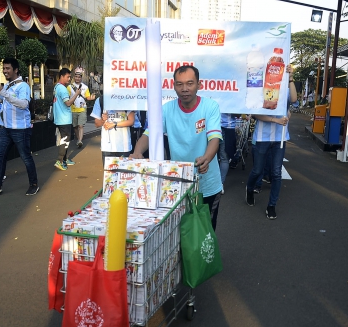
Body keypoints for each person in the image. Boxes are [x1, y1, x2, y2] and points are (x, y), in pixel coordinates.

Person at [130, 65, 223, 230]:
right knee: (179, 233)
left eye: (190, 83)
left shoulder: (210, 107)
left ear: (199, 85)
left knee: (206, 232)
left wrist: (206, 158)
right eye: (179, 84)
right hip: (178, 183)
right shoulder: (166, 109)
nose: (185, 89)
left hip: (207, 182)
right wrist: (137, 152)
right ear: (173, 86)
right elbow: (149, 134)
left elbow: (214, 138)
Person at [0, 57, 39, 196]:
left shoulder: (22, 86)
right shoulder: (7, 86)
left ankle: (34, 184)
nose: (5, 71)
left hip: (20, 129)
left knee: (25, 157)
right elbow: (2, 101)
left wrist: (3, 92)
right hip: (6, 128)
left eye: (8, 68)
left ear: (15, 70)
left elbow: (24, 104)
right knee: (0, 155)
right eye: (4, 68)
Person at [245, 64, 297, 219]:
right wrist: (275, 119)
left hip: (279, 139)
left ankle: (271, 205)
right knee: (257, 170)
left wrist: (291, 78)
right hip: (262, 138)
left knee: (276, 173)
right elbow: (255, 114)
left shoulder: (285, 90)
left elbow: (294, 99)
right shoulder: (261, 90)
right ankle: (249, 189)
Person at [90, 97, 135, 164]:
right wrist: (103, 120)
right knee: (109, 173)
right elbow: (97, 124)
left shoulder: (127, 98)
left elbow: (131, 121)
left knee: (123, 173)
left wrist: (114, 124)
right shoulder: (101, 100)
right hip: (107, 147)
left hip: (124, 146)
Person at [53, 68, 76, 171]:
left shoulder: (57, 87)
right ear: (61, 76)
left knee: (64, 139)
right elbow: (68, 103)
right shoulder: (62, 89)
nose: (69, 79)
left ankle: (65, 160)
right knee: (65, 140)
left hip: (60, 118)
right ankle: (60, 161)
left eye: (70, 77)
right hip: (64, 119)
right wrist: (77, 94)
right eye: (68, 77)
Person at [69, 69, 96, 149]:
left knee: (80, 125)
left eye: (79, 77)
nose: (77, 78)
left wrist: (91, 98)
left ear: (81, 78)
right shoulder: (70, 87)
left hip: (82, 109)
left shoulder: (85, 87)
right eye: (76, 77)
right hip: (73, 109)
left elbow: (87, 97)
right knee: (75, 126)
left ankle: (80, 140)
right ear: (74, 77)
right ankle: (78, 139)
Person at [217, 113, 238, 194]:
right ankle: (220, 184)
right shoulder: (233, 100)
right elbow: (238, 114)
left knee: (211, 157)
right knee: (224, 158)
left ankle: (213, 184)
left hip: (213, 126)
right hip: (229, 127)